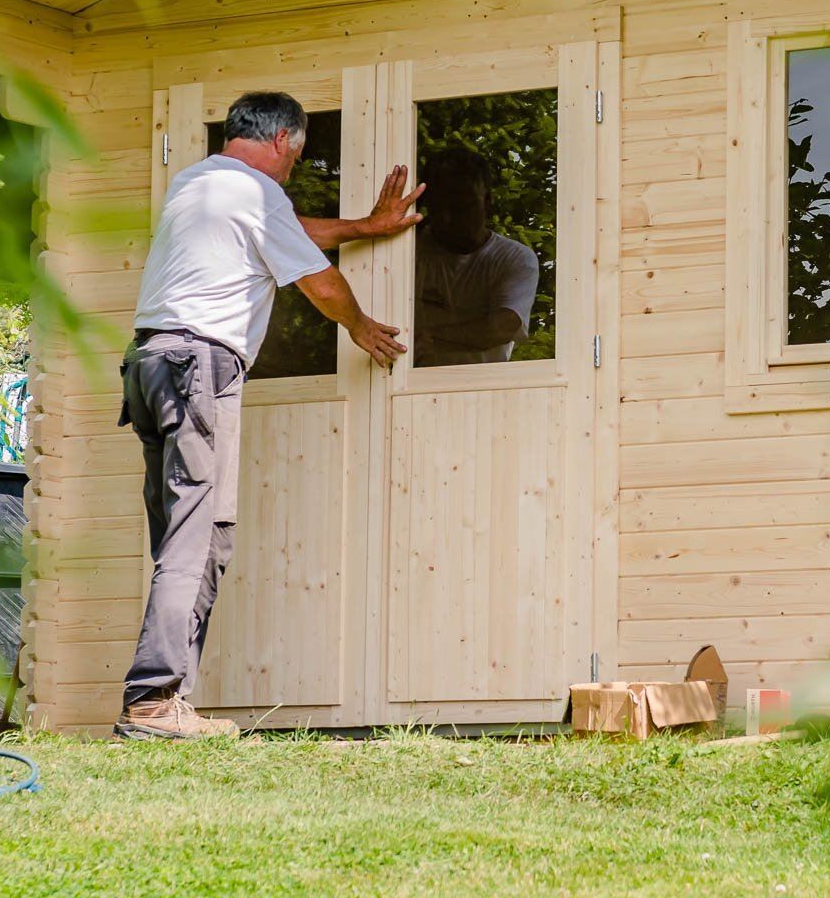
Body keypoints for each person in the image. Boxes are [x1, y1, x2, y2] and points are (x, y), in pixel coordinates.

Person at [114, 91, 421, 740]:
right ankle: (152, 702)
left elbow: (288, 231)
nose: (293, 167)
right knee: (194, 538)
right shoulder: (256, 194)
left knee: (201, 536)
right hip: (201, 367)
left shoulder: (197, 184)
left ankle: (169, 705)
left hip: (150, 364)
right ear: (282, 140)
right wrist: (361, 326)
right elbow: (320, 282)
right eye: (298, 154)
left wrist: (366, 228)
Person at [414, 146, 540, 368]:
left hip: (481, 388)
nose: (447, 218)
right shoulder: (407, 251)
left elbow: (503, 326)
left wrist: (428, 337)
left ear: (487, 201)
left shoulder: (515, 258)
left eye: (461, 207)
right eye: (438, 207)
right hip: (409, 387)